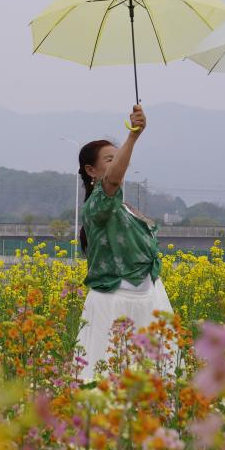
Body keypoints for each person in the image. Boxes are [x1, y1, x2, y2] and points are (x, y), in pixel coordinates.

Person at [75, 105, 174, 382]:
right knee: (106, 375)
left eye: (118, 156)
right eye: (110, 158)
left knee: (156, 377)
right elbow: (113, 180)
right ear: (91, 170)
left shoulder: (124, 208)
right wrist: (133, 136)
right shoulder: (98, 205)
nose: (117, 161)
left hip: (149, 299)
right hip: (114, 303)